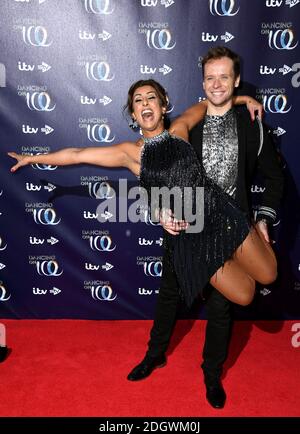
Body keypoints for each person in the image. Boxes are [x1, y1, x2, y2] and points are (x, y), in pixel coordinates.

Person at [8, 76, 277, 402]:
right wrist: (34, 159)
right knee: (241, 295)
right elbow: (78, 153)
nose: (145, 104)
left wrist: (242, 100)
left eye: (151, 98)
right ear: (133, 114)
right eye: (138, 100)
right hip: (189, 240)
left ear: (163, 106)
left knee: (268, 275)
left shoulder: (180, 131)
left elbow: (209, 103)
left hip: (221, 217)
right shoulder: (130, 154)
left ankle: (211, 372)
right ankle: (159, 356)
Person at [125, 48, 284, 410]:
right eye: (210, 77)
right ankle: (154, 355)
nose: (216, 84)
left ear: (236, 80)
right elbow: (156, 175)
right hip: (187, 227)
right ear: (202, 82)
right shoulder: (187, 124)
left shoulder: (252, 125)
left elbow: (275, 179)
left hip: (234, 229)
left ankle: (212, 374)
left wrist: (263, 219)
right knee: (169, 297)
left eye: (224, 77)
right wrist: (160, 211)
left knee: (222, 308)